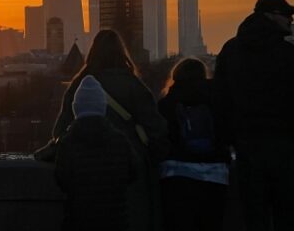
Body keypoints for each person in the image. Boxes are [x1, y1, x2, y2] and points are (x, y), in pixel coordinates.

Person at [214, 0, 294, 231]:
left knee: (254, 215)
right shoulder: (288, 53)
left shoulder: (231, 50)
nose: (291, 19)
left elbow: (220, 98)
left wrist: (230, 137)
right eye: (287, 14)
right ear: (270, 16)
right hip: (285, 145)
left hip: (247, 147)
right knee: (286, 215)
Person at [52, 29, 169, 231]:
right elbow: (157, 131)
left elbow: (60, 131)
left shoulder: (79, 86)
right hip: (129, 177)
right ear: (122, 53)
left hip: (83, 179)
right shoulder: (134, 85)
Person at [55, 75, 137, 231]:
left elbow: (62, 180)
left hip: (79, 221)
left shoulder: (68, 143)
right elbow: (133, 173)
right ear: (102, 107)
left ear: (76, 108)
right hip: (115, 222)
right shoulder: (120, 141)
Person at [158, 58, 230, 231]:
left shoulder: (166, 104)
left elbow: (160, 137)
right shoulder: (217, 101)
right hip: (214, 174)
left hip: (177, 175)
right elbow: (227, 133)